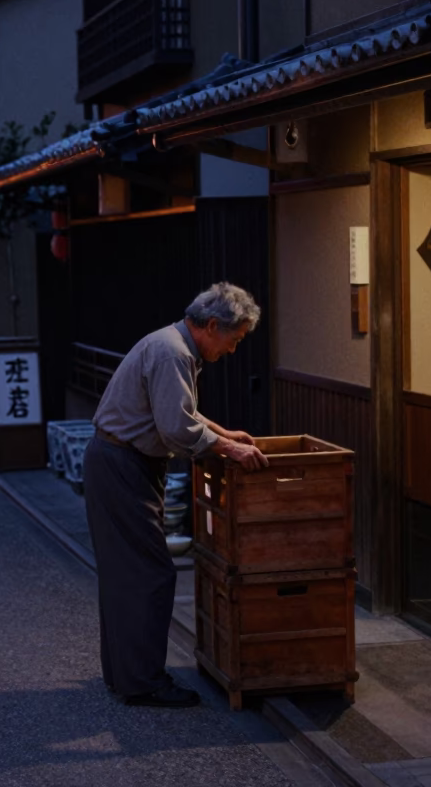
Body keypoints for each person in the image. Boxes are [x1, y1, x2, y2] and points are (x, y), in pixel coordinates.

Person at [84, 282, 269, 708]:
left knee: (125, 574)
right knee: (151, 574)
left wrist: (223, 432)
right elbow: (177, 428)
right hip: (122, 466)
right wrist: (231, 448)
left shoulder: (170, 344)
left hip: (118, 462)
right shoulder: (174, 352)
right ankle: (144, 681)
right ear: (210, 325)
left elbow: (179, 411)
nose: (233, 350)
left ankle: (125, 676)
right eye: (234, 340)